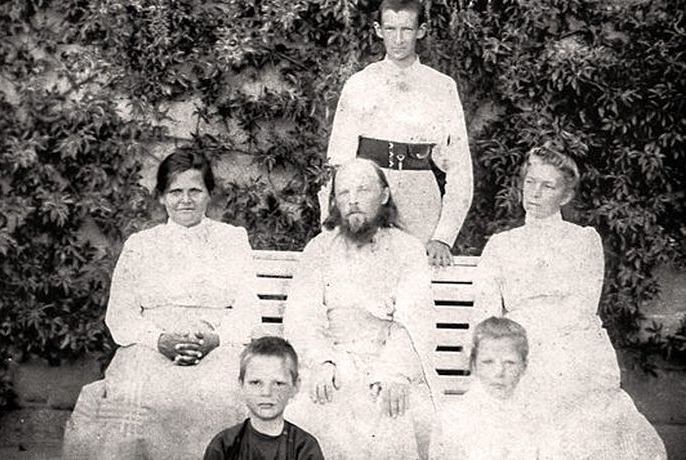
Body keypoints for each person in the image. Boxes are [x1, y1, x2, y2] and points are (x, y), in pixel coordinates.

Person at [63, 150, 262, 459]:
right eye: (175, 192)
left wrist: (215, 339)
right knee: (135, 396)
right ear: (160, 197)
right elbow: (120, 315)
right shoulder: (141, 245)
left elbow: (248, 309)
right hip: (151, 347)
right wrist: (159, 341)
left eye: (195, 191)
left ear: (209, 194)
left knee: (223, 393)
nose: (186, 200)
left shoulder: (231, 239)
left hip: (217, 345)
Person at [474, 146, 667, 459]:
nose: (534, 193)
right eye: (530, 182)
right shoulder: (501, 245)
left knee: (577, 405)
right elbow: (484, 314)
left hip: (572, 346)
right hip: (517, 345)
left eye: (547, 186)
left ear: (565, 196)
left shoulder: (583, 240)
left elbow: (581, 307)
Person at [283, 158, 440, 460]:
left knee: (399, 413)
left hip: (389, 362)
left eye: (363, 190)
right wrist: (322, 362)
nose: (352, 200)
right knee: (308, 411)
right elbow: (302, 316)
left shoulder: (408, 249)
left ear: (383, 196)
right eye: (343, 193)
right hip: (333, 361)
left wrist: (395, 373)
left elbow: (414, 319)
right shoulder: (319, 248)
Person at [321, 0, 473, 266]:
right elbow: (337, 163)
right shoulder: (360, 84)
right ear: (379, 30)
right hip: (370, 193)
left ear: (421, 30)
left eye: (407, 29)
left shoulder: (441, 87)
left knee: (417, 276)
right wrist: (331, 224)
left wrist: (443, 236)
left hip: (420, 200)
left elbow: (460, 169)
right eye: (391, 29)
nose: (399, 39)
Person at [430, 317, 540, 460]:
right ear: (474, 365)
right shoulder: (452, 417)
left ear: (524, 366)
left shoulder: (536, 417)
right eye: (488, 362)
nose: (499, 372)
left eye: (510, 362)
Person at [203, 336, 325, 460]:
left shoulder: (304, 447)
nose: (266, 393)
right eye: (256, 383)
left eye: (278, 383)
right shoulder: (224, 445)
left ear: (295, 386)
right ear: (241, 384)